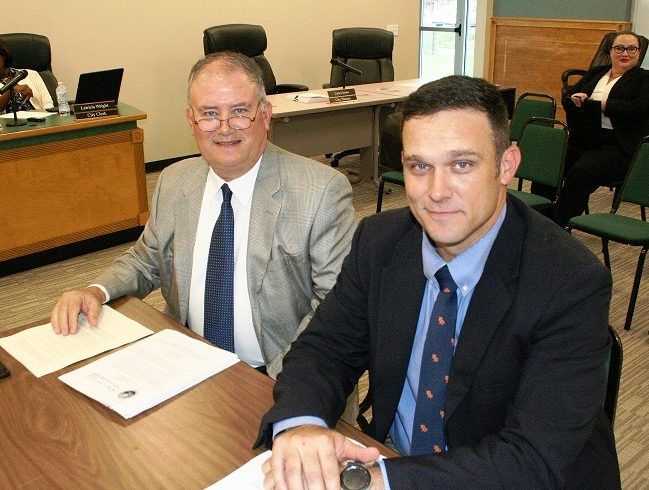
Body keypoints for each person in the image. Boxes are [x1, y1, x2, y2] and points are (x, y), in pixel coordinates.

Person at [256, 76, 620, 489]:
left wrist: (377, 481)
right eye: (419, 166)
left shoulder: (569, 281)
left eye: (461, 164)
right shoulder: (380, 241)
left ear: (506, 165)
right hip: (395, 456)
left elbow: (531, 459)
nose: (436, 192)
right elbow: (326, 348)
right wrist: (302, 424)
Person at [50, 51, 356, 380]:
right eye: (209, 114)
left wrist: (270, 385)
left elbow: (334, 306)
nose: (224, 128)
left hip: (277, 374)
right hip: (186, 364)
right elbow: (146, 259)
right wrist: (95, 291)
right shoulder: (174, 181)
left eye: (240, 111)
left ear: (265, 115)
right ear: (191, 121)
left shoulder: (321, 191)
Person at [557, 30, 649, 225]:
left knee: (580, 172)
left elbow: (639, 109)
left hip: (618, 146)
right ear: (611, 51)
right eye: (620, 48)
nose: (625, 53)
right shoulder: (597, 72)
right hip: (585, 139)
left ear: (639, 53)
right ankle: (539, 214)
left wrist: (603, 104)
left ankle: (559, 223)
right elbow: (568, 95)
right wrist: (574, 99)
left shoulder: (644, 79)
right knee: (551, 162)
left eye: (631, 49)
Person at [0, 39, 54, 113]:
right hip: (8, 123)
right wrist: (11, 91)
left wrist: (48, 119)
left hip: (40, 120)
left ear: (4, 56)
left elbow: (48, 104)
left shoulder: (30, 74)